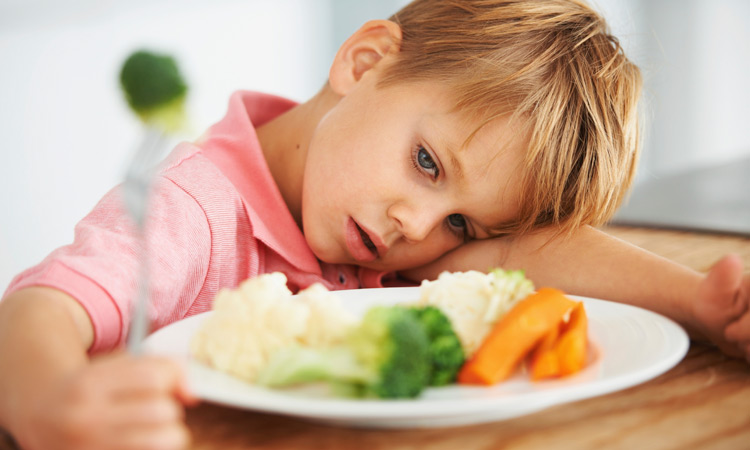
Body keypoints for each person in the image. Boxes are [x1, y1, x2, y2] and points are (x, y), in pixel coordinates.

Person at [1, 0, 748, 448]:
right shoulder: (193, 210)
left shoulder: (394, 231)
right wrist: (44, 407)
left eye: (461, 223)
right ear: (363, 63)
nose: (414, 226)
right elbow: (37, 311)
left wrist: (697, 303)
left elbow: (529, 250)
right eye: (426, 162)